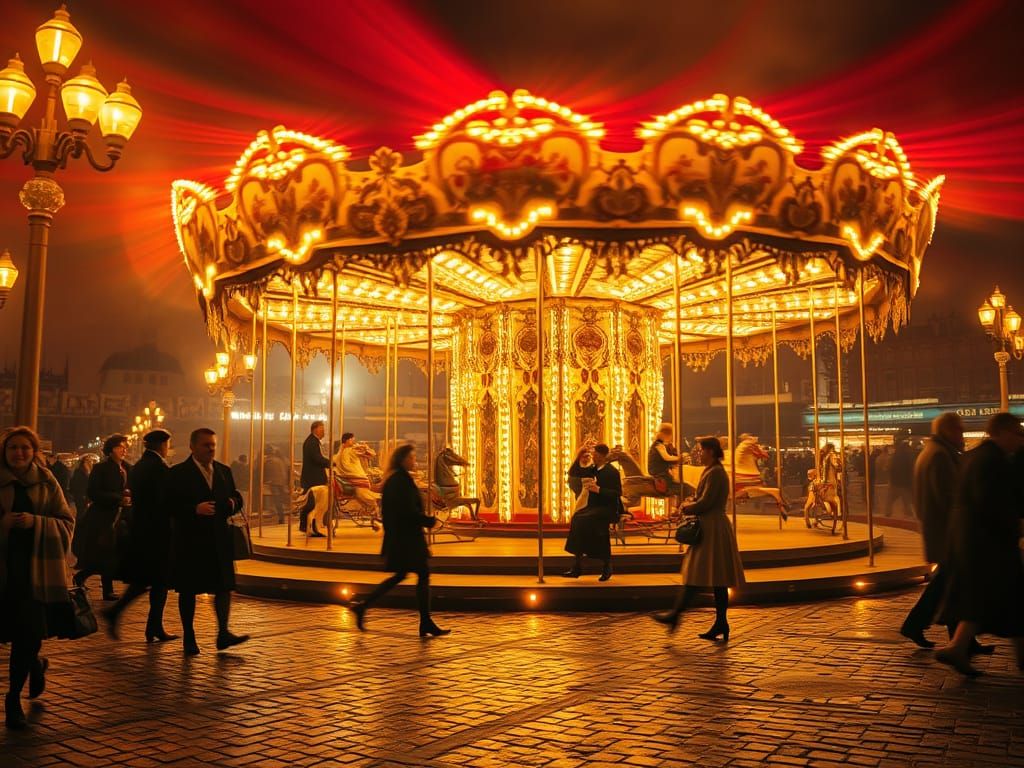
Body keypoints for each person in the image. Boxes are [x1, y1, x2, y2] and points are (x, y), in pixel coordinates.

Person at [935, 412, 1024, 676]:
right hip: (987, 544)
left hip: (973, 542)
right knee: (1011, 598)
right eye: (1016, 433)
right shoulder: (992, 461)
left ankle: (957, 648)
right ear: (1002, 432)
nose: (1019, 439)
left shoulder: (977, 456)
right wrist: (1015, 523)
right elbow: (990, 503)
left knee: (987, 600)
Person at [0, 427, 75, 730]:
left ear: (34, 451)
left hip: (35, 573)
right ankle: (35, 664)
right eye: (13, 448)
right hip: (4, 570)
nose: (19, 453)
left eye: (25, 448)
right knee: (13, 633)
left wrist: (37, 523)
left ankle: (12, 697)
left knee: (27, 634)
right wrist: (3, 524)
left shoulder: (46, 481)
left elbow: (66, 522)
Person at [346, 444, 448, 637]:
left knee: (403, 575)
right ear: (403, 460)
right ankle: (425, 621)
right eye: (411, 457)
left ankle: (364, 606)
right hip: (406, 538)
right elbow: (407, 511)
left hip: (403, 537)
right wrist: (428, 520)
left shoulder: (398, 479)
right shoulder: (399, 481)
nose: (414, 461)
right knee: (422, 574)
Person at [652, 436, 745, 640]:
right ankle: (718, 622)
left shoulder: (716, 473)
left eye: (701, 451)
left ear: (710, 451)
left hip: (712, 527)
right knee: (714, 578)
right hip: (711, 526)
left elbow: (706, 502)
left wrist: (687, 506)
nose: (699, 454)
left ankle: (676, 615)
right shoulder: (713, 471)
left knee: (699, 575)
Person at [899, 413, 977, 649]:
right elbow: (948, 497)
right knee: (946, 584)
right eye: (959, 431)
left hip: (941, 531)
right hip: (947, 532)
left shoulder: (934, 451)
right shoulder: (940, 456)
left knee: (949, 584)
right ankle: (918, 626)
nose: (962, 436)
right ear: (948, 431)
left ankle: (961, 639)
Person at [167, 428, 248, 656]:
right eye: (206, 445)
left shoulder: (223, 471)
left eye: (213, 445)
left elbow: (236, 496)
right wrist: (194, 509)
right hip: (191, 540)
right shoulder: (179, 473)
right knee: (189, 589)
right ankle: (189, 636)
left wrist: (233, 503)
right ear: (193, 447)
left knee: (223, 587)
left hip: (218, 539)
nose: (211, 449)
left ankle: (223, 632)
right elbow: (168, 505)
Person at [102, 429, 177, 643]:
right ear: (162, 445)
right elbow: (164, 499)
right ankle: (126, 616)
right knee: (155, 580)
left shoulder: (140, 466)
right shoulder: (158, 467)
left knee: (150, 581)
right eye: (167, 444)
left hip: (143, 529)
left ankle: (152, 626)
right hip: (156, 532)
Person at [73, 434, 131, 601]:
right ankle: (105, 589)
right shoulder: (101, 468)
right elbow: (93, 492)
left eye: (125, 446)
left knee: (110, 554)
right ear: (111, 450)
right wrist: (116, 498)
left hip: (120, 517)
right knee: (106, 553)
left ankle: (83, 576)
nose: (124, 449)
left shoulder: (126, 467)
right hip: (102, 517)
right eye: (120, 446)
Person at [562, 443, 623, 582]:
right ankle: (577, 564)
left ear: (601, 456)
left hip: (607, 508)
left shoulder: (612, 472)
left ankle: (604, 564)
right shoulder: (594, 469)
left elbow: (617, 493)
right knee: (577, 517)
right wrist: (579, 453)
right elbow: (574, 472)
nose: (592, 456)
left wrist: (599, 490)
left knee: (585, 521)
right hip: (594, 507)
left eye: (594, 454)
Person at [332, 433, 381, 521]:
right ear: (348, 440)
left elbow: (335, 461)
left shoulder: (340, 451)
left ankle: (371, 510)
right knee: (369, 497)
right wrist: (366, 447)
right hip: (356, 476)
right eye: (352, 439)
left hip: (345, 476)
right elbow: (372, 454)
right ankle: (374, 510)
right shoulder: (353, 449)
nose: (354, 441)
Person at [647, 423, 683, 494]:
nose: (671, 438)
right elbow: (666, 457)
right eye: (670, 435)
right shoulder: (659, 445)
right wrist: (678, 458)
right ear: (665, 435)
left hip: (656, 471)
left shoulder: (658, 445)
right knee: (670, 480)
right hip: (658, 472)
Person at [300, 422, 330, 494]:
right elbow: (317, 458)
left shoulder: (312, 441)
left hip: (312, 479)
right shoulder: (312, 442)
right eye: (322, 430)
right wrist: (330, 463)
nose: (324, 432)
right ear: (315, 430)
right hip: (313, 479)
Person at [887, 440, 914, 518]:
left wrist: (891, 480)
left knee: (890, 500)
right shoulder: (908, 456)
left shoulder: (895, 455)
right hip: (904, 483)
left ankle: (888, 512)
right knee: (906, 500)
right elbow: (910, 469)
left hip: (895, 482)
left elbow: (891, 468)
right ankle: (908, 513)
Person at [262, 447, 288, 525]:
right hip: (281, 482)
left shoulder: (268, 461)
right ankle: (281, 516)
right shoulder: (280, 460)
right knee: (280, 500)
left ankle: (281, 517)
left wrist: (266, 480)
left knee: (277, 500)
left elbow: (266, 473)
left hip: (273, 483)